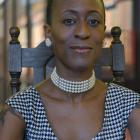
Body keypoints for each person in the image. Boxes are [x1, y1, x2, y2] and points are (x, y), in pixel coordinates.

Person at [0, 0, 140, 139]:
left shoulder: (128, 103)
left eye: (93, 22)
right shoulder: (20, 107)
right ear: (49, 33)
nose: (83, 32)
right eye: (69, 21)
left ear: (103, 33)